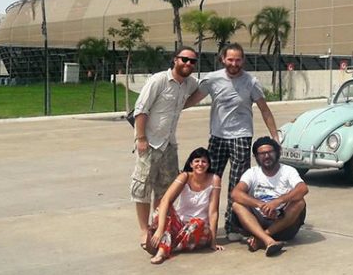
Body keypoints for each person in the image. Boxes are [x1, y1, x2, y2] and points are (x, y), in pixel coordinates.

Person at [184, 43, 280, 240]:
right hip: (218, 137)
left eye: (237, 60)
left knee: (238, 184)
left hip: (241, 136)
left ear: (243, 60)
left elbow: (264, 109)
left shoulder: (251, 82)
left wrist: (275, 137)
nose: (234, 64)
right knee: (209, 180)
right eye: (230, 59)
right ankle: (204, 224)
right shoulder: (212, 79)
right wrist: (168, 109)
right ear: (223, 59)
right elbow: (191, 100)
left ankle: (233, 226)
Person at [131, 46, 199, 249]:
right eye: (184, 59)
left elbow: (201, 90)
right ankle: (144, 230)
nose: (188, 64)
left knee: (165, 188)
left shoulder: (189, 83)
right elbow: (140, 110)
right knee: (143, 186)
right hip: (150, 142)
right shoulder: (159, 80)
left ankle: (156, 225)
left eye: (192, 61)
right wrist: (141, 138)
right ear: (175, 59)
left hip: (169, 144)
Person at [230, 136, 308, 257]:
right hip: (257, 222)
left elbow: (303, 188)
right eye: (262, 153)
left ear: (277, 153)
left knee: (300, 202)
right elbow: (235, 193)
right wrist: (261, 205)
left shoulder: (288, 171)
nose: (266, 156)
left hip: (283, 223)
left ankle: (262, 237)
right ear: (256, 157)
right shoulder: (252, 173)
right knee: (237, 205)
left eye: (270, 152)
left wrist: (277, 202)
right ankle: (268, 241)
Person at [148, 147, 224, 264]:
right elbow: (165, 200)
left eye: (204, 161)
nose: (200, 164)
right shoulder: (184, 176)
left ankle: (164, 247)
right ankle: (164, 245)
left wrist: (213, 242)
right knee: (161, 209)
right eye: (197, 161)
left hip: (199, 229)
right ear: (191, 164)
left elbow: (213, 212)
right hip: (181, 225)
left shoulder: (215, 179)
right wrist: (160, 229)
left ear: (208, 165)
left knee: (197, 223)